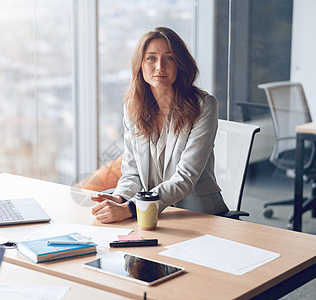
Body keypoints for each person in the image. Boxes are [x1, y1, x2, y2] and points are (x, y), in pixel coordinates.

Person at [91, 27, 228, 223]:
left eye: (169, 58)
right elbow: (132, 171)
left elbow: (185, 178)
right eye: (151, 58)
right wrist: (120, 197)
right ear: (140, 64)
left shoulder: (204, 106)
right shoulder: (132, 107)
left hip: (197, 215)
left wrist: (130, 209)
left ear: (181, 64)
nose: (160, 67)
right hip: (150, 216)